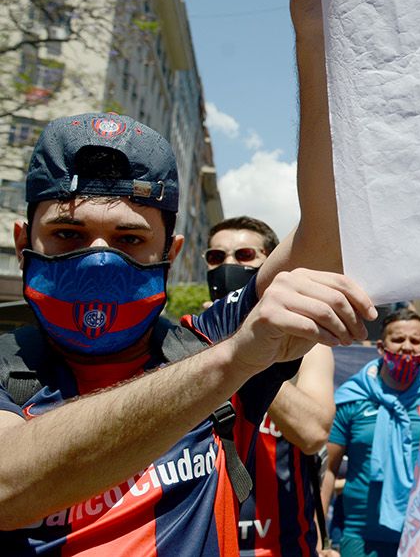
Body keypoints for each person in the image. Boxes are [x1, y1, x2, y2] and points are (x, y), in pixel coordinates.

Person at [0, 112, 373, 553]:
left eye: (129, 239)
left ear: (170, 252)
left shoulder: (206, 338)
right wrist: (230, 361)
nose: (98, 260)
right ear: (24, 244)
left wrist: (314, 43)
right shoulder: (223, 350)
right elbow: (8, 488)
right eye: (68, 233)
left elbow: (330, 223)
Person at [207, 216, 337, 556]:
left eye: (245, 254)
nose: (229, 266)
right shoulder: (185, 341)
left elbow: (313, 433)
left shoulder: (306, 342)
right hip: (212, 544)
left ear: (272, 264)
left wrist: (245, 352)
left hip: (283, 544)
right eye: (216, 257)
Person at [321, 309, 420, 557]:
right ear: (381, 347)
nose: (407, 347)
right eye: (398, 339)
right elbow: (328, 469)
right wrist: (320, 539)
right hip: (359, 537)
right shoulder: (352, 399)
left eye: (414, 341)